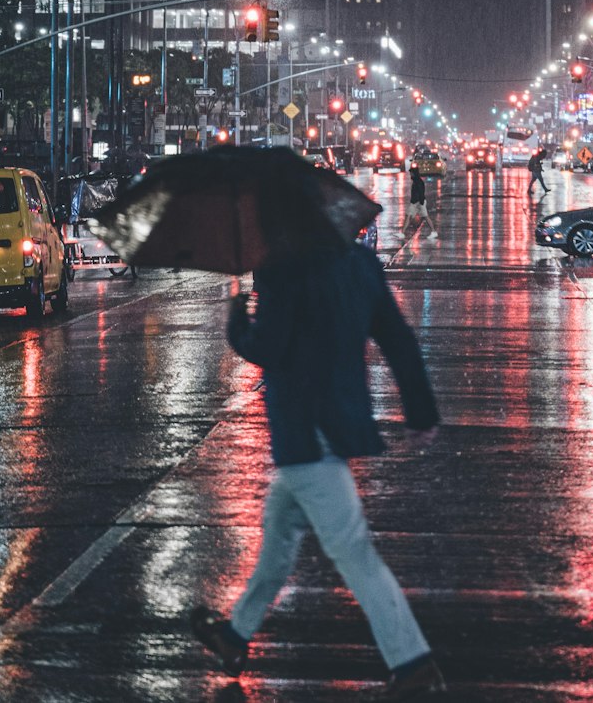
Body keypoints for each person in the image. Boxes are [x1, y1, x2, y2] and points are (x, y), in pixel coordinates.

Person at [190, 223, 445, 697]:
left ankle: (412, 662)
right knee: (277, 541)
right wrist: (421, 411)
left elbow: (266, 346)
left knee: (354, 552)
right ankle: (234, 636)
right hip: (336, 426)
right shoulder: (360, 264)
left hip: (304, 434)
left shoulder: (284, 269)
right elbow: (398, 338)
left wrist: (235, 317)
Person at [403, 164, 437, 241]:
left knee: (425, 216)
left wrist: (420, 202)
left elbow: (421, 193)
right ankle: (402, 232)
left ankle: (433, 231)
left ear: (414, 173)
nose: (410, 174)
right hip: (415, 202)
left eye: (411, 173)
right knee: (408, 215)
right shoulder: (416, 181)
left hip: (419, 202)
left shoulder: (418, 182)